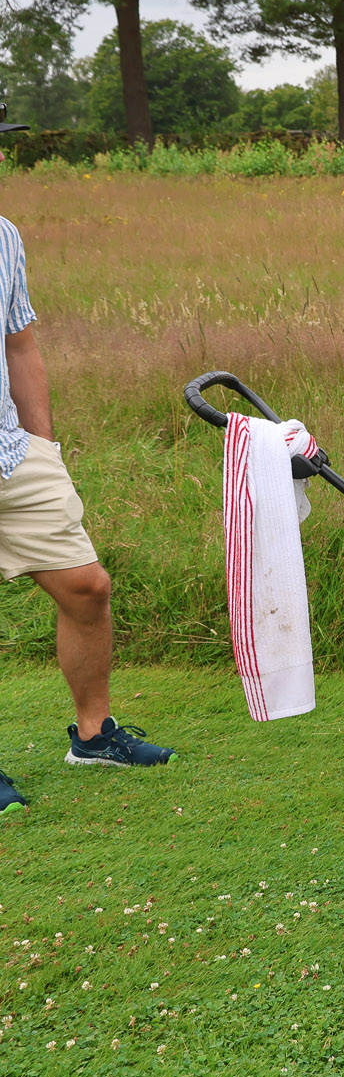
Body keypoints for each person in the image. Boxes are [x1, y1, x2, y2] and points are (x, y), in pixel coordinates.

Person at [0, 214, 174, 818]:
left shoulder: (4, 236)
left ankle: (95, 738)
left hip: (12, 453)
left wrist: (42, 446)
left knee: (87, 587)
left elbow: (19, 345)